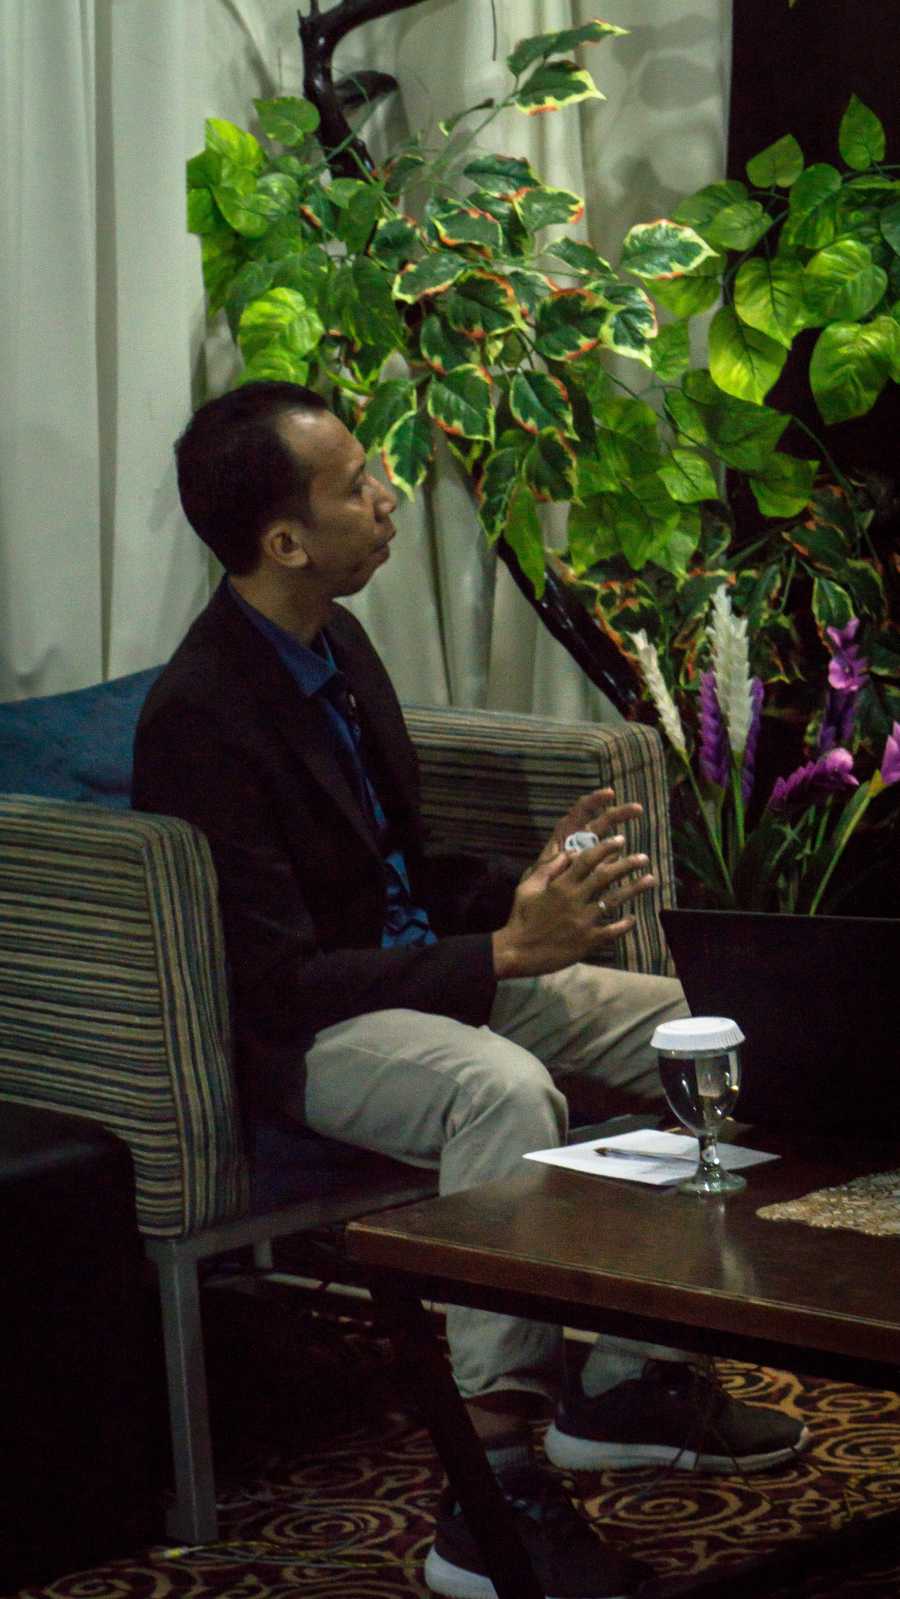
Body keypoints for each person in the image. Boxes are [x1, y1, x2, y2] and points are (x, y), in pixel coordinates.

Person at [133, 381, 807, 1599]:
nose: (386, 497)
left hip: (420, 976)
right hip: (311, 1032)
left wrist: (533, 886)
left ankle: (624, 1382)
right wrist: (500, 953)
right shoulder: (202, 717)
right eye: (356, 486)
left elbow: (394, 864)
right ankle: (488, 1492)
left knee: (681, 1026)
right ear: (285, 540)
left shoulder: (336, 643)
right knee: (500, 1091)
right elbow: (276, 979)